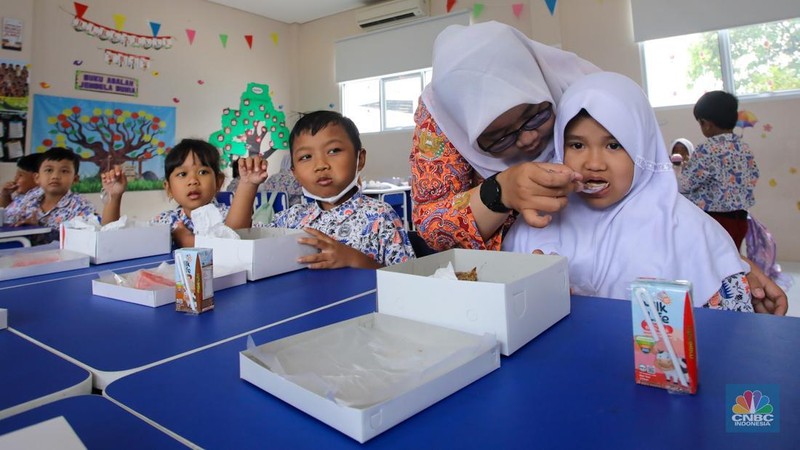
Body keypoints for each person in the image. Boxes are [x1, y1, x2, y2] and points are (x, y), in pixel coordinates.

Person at [503, 72, 754, 311]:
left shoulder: (688, 230)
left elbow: (730, 331)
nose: (594, 163)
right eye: (577, 145)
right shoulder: (538, 220)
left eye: (613, 145)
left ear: (642, 147)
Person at [410, 21, 599, 252]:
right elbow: (431, 228)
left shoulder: (588, 92)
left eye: (536, 116)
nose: (528, 139)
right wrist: (501, 191)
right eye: (500, 138)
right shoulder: (442, 117)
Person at [270, 111, 414, 269]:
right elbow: (240, 240)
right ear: (294, 172)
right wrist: (248, 185)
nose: (320, 165)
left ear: (360, 159)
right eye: (306, 157)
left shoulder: (379, 216)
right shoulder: (291, 219)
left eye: (333, 151)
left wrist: (353, 259)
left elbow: (406, 279)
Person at [102, 138, 267, 248]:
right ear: (168, 188)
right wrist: (114, 197)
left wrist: (247, 184)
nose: (193, 180)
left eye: (202, 172)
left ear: (218, 182)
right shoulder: (164, 221)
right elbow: (110, 239)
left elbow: (232, 243)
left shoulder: (225, 216)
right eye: (182, 174)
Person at [678, 91, 759, 250]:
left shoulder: (707, 149)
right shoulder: (743, 147)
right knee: (732, 261)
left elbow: (686, 184)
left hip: (714, 220)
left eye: (700, 123)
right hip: (740, 220)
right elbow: (753, 175)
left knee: (711, 263)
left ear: (706, 123)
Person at [7, 147, 98, 245]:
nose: (55, 176)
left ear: (75, 179)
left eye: (64, 171)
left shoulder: (81, 206)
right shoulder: (30, 197)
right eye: (49, 170)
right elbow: (7, 219)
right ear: (37, 178)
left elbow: (85, 241)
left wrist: (38, 229)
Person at [1, 153, 42, 222]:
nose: (15, 178)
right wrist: (5, 196)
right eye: (16, 175)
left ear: (37, 178)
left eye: (20, 175)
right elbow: (4, 211)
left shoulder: (37, 195)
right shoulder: (21, 195)